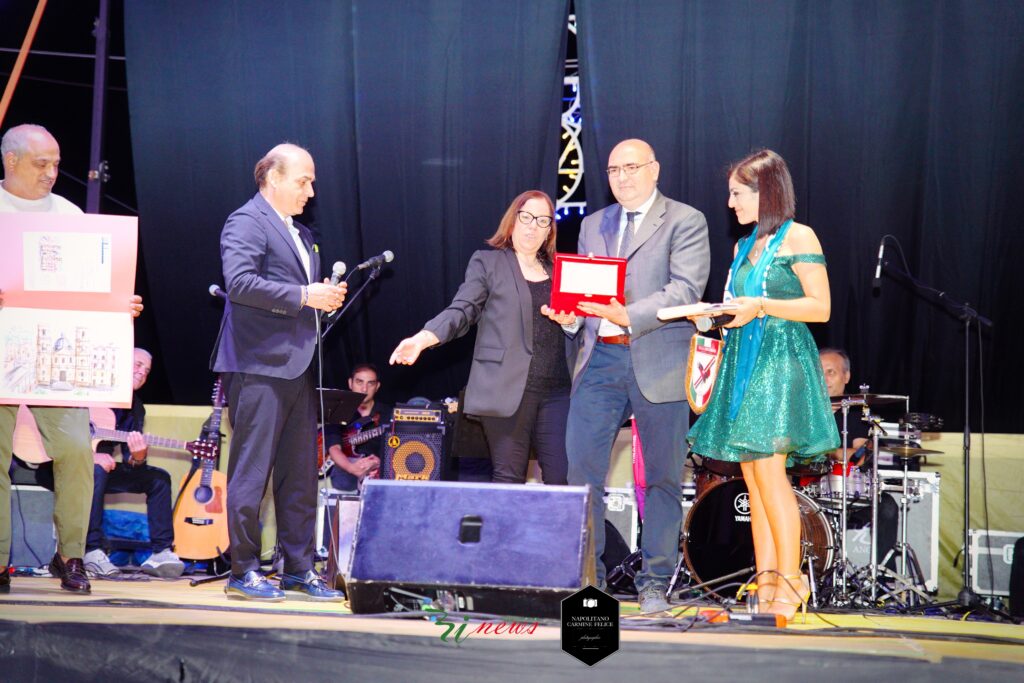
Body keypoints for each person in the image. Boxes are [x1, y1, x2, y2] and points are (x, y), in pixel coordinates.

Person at [544, 139, 710, 613]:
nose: (622, 176)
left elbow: (684, 289)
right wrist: (572, 319)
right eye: (614, 169)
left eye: (632, 167)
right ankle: (588, 581)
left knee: (661, 477)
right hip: (599, 363)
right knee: (581, 474)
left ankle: (654, 581)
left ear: (654, 170)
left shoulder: (685, 220)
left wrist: (624, 314)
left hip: (659, 361)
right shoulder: (594, 224)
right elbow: (586, 296)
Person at [687, 149, 839, 621]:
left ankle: (792, 582)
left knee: (772, 477)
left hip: (779, 361)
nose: (730, 203)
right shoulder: (742, 246)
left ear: (765, 191)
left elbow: (821, 307)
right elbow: (739, 309)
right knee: (752, 480)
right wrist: (711, 317)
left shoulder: (799, 236)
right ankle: (767, 580)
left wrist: (763, 306)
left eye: (737, 193)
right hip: (742, 362)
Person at [0, 123, 144, 595]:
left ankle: (72, 555)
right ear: (11, 161)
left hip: (53, 359)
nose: (51, 173)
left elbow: (91, 286)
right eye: (42, 164)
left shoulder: (67, 212)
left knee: (79, 452)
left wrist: (120, 303)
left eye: (57, 164)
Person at [210, 143, 346, 602]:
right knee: (252, 474)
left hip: (297, 368)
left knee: (300, 475)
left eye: (311, 181)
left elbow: (293, 293)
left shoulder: (302, 235)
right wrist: (305, 296)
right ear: (272, 177)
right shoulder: (247, 221)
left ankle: (297, 569)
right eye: (303, 180)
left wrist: (320, 297)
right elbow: (241, 283)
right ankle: (242, 570)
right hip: (258, 366)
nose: (311, 189)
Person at [390, 191, 571, 485]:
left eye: (542, 220)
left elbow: (581, 321)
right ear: (512, 222)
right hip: (506, 389)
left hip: (558, 391)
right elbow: (463, 309)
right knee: (508, 480)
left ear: (550, 228)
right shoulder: (489, 263)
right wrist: (424, 338)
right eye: (525, 217)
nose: (532, 226)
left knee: (563, 481)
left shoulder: (562, 272)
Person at [819, 348, 899, 572]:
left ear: (846, 377)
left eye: (830, 372)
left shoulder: (856, 413)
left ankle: (884, 578)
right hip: (810, 493)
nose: (823, 379)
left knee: (888, 506)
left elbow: (859, 456)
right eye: (818, 372)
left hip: (849, 490)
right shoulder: (805, 412)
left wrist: (824, 450)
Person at [323, 363, 388, 491]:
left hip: (377, 472)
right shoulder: (339, 411)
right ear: (350, 383)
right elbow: (334, 447)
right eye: (359, 382)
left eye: (370, 383)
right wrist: (353, 469)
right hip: (346, 470)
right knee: (343, 481)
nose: (364, 389)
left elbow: (396, 448)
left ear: (377, 386)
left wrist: (381, 462)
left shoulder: (388, 414)